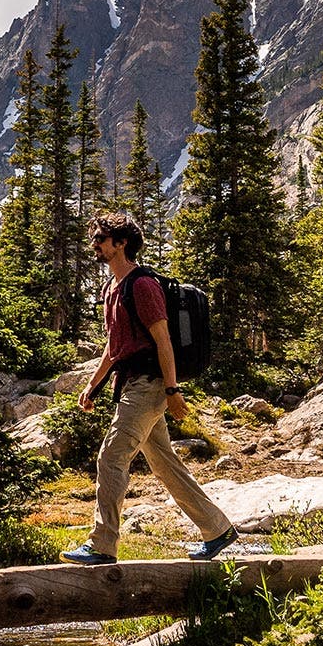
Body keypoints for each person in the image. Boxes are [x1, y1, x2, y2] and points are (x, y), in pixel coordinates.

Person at [60, 212, 237, 566]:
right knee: (164, 463)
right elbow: (114, 348)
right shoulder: (112, 288)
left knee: (111, 457)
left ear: (121, 243)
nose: (95, 243)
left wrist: (172, 390)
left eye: (101, 238)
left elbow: (163, 339)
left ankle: (102, 544)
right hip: (130, 385)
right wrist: (92, 388)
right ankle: (217, 529)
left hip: (149, 385)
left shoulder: (142, 285)